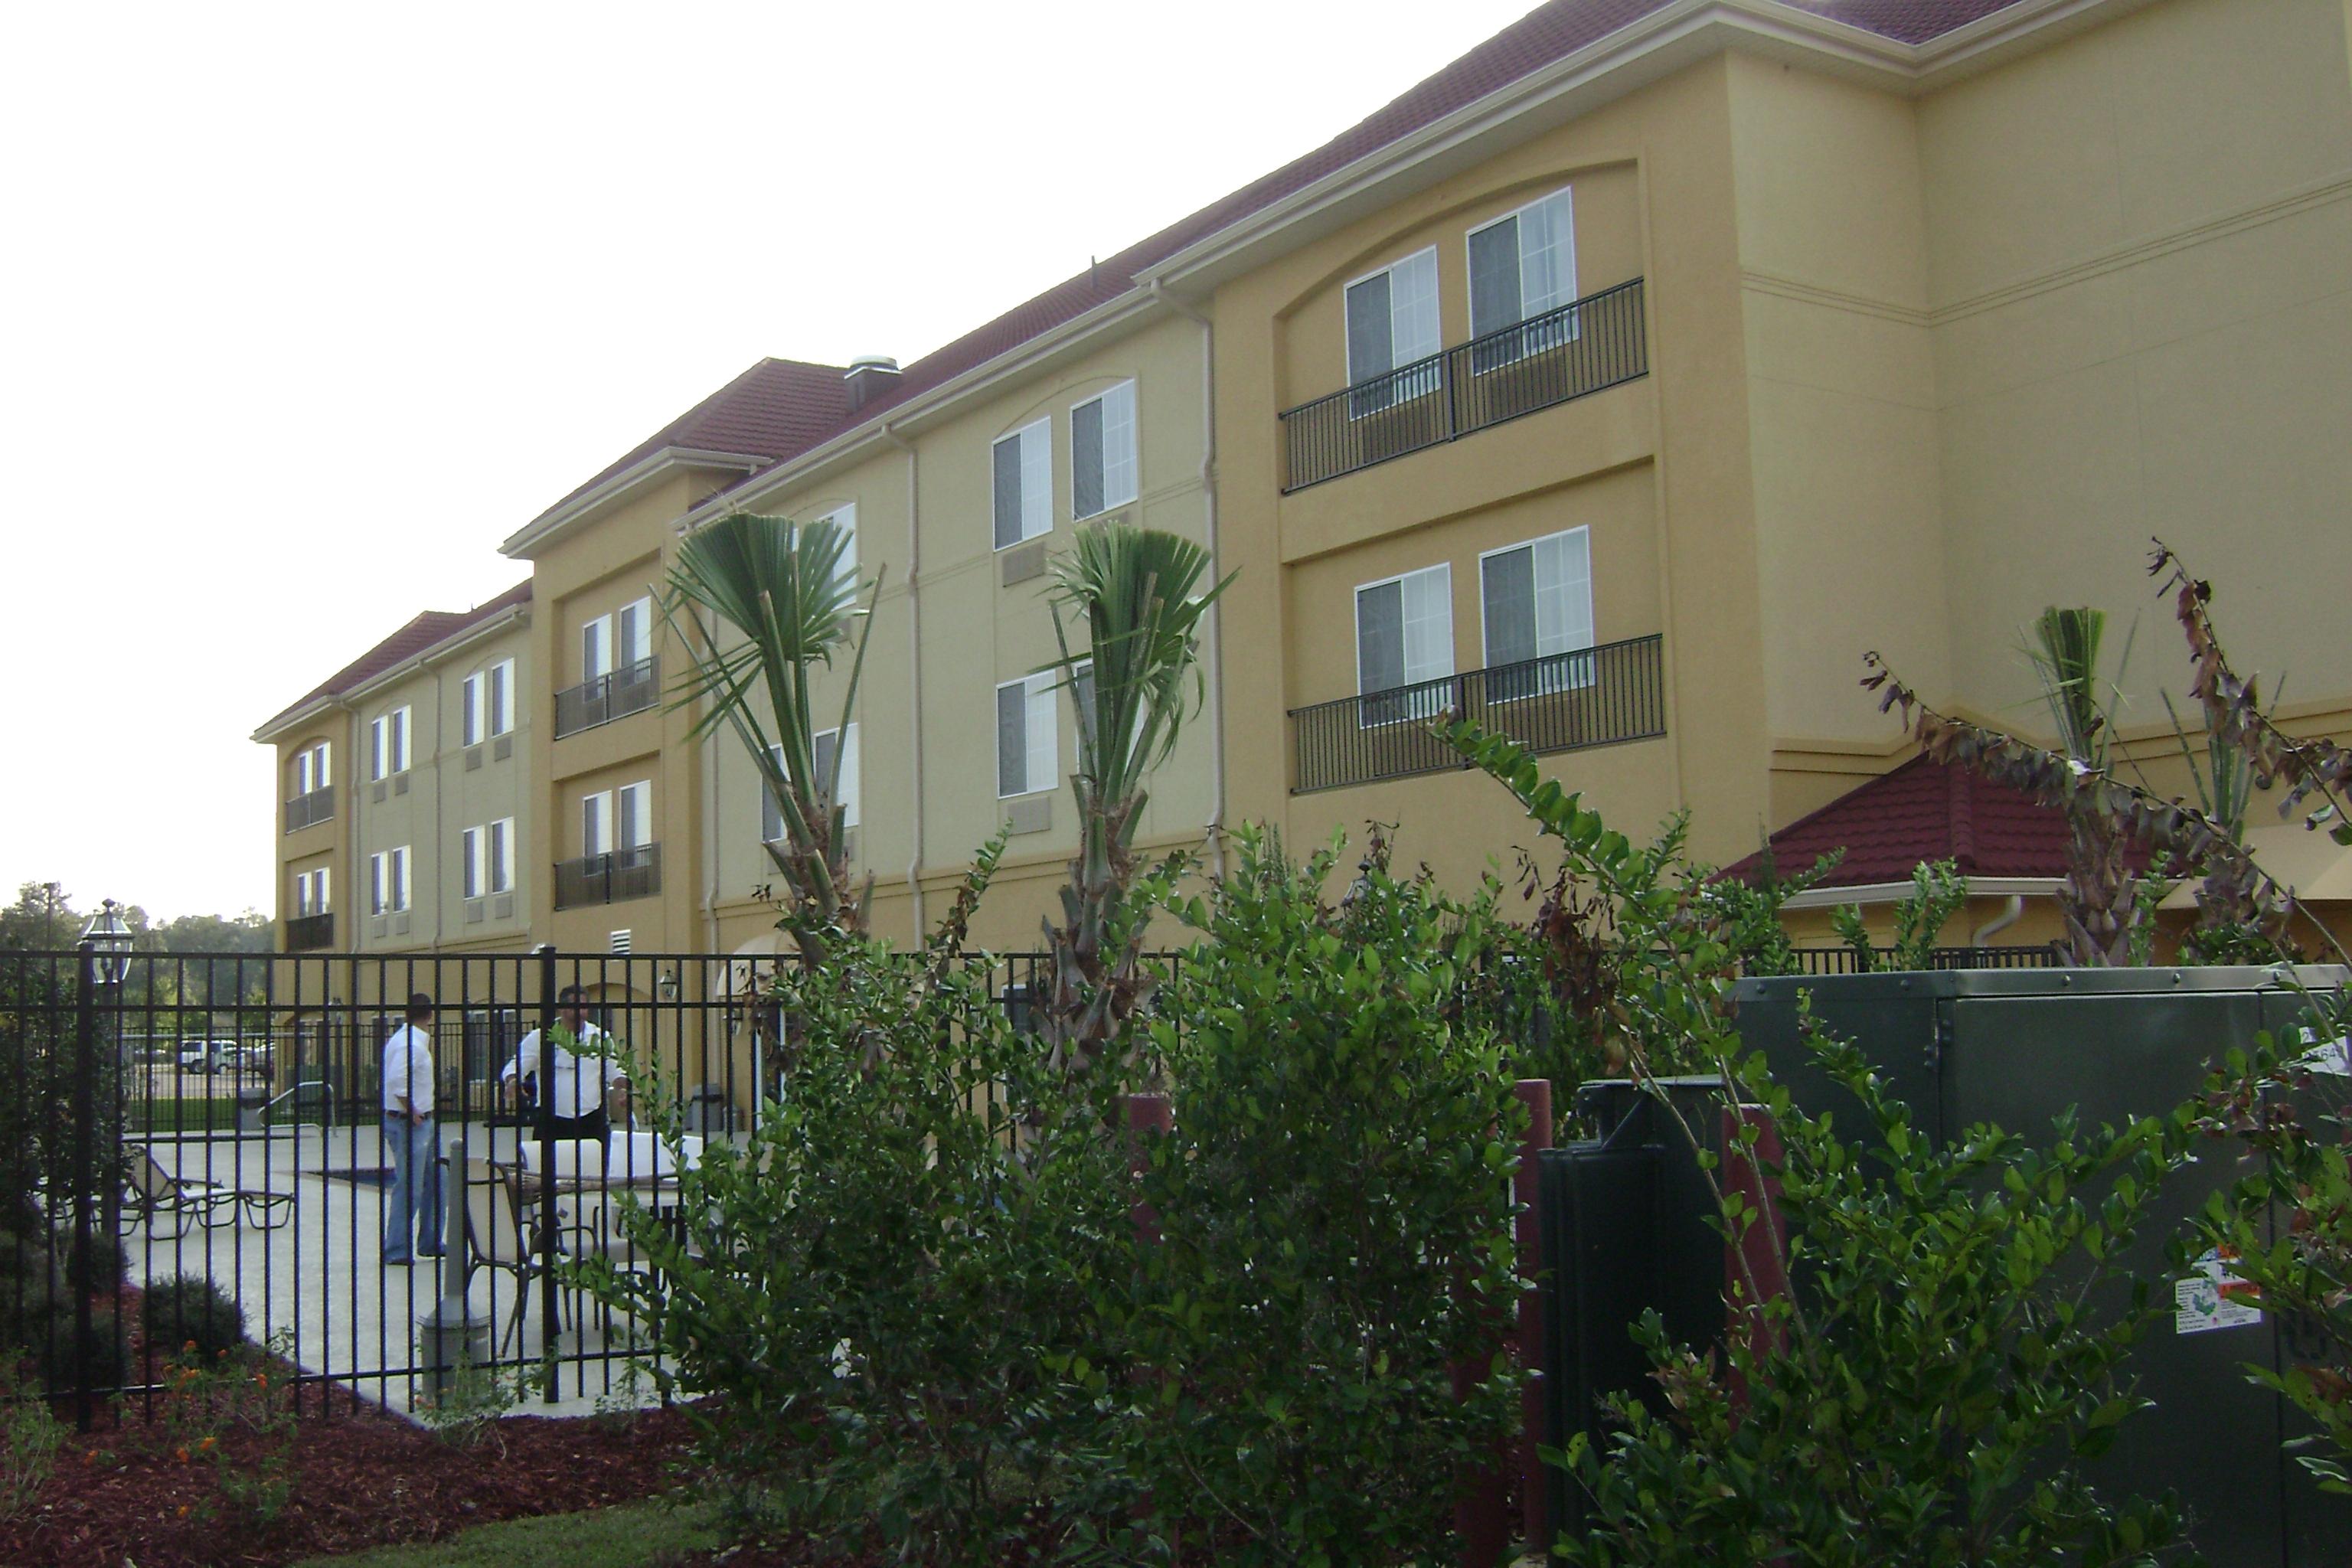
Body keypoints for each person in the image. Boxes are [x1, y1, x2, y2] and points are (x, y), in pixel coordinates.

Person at [503, 985, 627, 1143]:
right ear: (561, 1008)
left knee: (594, 1159)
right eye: (574, 1006)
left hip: (592, 1119)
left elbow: (615, 1071)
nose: (580, 1011)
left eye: (584, 1007)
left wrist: (623, 1089)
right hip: (551, 1119)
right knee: (547, 1159)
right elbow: (516, 1066)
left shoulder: (599, 1037)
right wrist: (513, 1081)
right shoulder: (541, 1037)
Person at [381, 992, 443, 1264]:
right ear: (430, 1015)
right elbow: (398, 1081)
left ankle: (430, 1240)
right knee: (410, 1187)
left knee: (435, 1180)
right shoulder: (411, 1045)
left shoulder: (406, 1040)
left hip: (417, 1121)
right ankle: (397, 1249)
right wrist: (413, 1111)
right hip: (410, 1122)